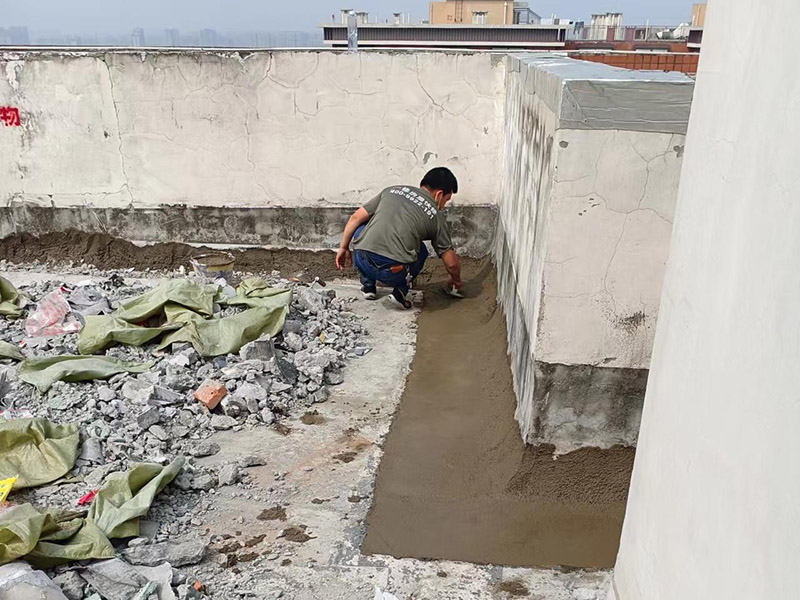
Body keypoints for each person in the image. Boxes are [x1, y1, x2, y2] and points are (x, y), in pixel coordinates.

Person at [335, 167, 463, 309]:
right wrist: (456, 280)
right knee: (421, 250)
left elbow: (355, 217)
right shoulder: (436, 216)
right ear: (439, 194)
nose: (443, 207)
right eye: (446, 200)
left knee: (363, 228)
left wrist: (343, 248)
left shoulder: (391, 191)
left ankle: (368, 286)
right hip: (394, 273)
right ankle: (400, 292)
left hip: (361, 260)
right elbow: (451, 263)